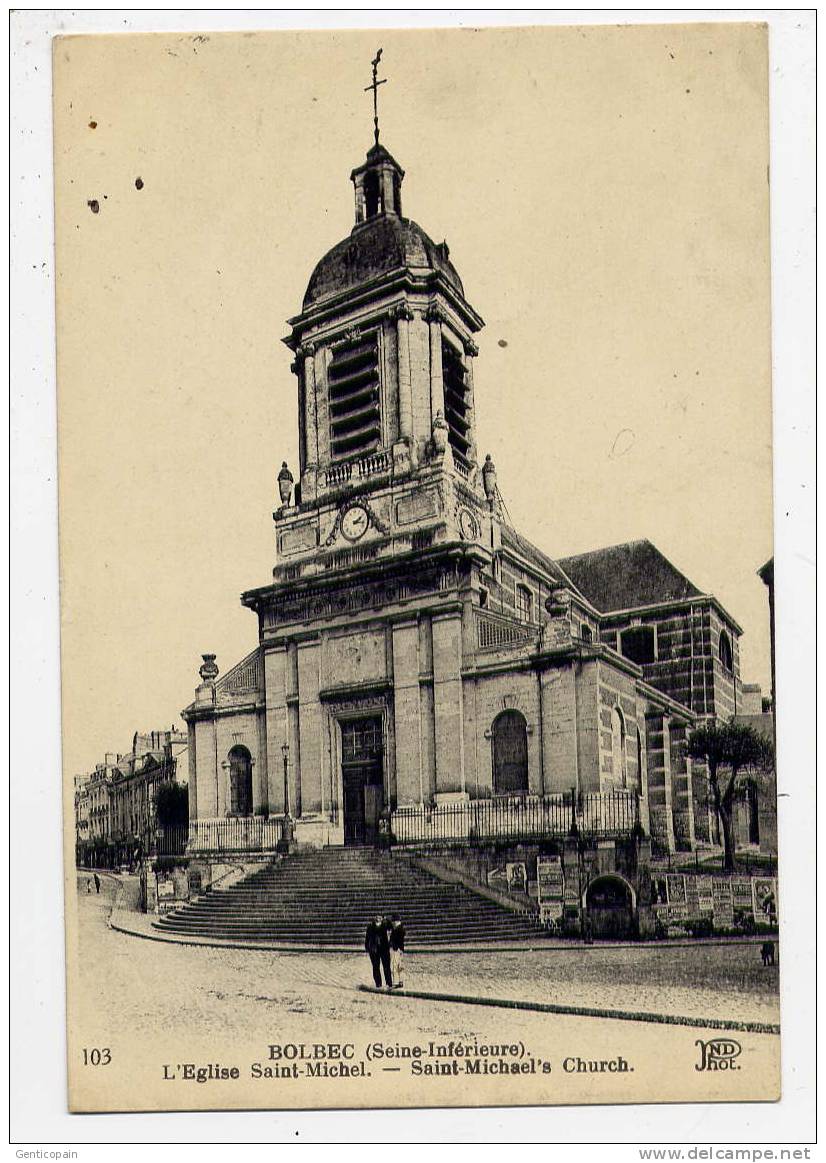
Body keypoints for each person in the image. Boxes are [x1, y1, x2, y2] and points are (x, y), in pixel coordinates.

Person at [364, 914, 392, 989]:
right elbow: (367, 937)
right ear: (374, 917)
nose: (378, 918)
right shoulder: (370, 926)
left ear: (382, 918)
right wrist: (367, 947)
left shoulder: (385, 925)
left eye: (380, 917)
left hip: (384, 949)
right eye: (377, 917)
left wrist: (387, 919)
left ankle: (389, 984)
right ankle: (378, 984)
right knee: (376, 967)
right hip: (374, 949)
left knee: (386, 967)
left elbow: (391, 927)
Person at [388, 913, 405, 989]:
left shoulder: (399, 929)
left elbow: (397, 940)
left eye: (393, 921)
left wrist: (392, 944)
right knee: (399, 966)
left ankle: (396, 982)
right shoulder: (399, 928)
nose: (393, 923)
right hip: (399, 949)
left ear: (396, 921)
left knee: (394, 966)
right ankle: (400, 981)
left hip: (396, 949)